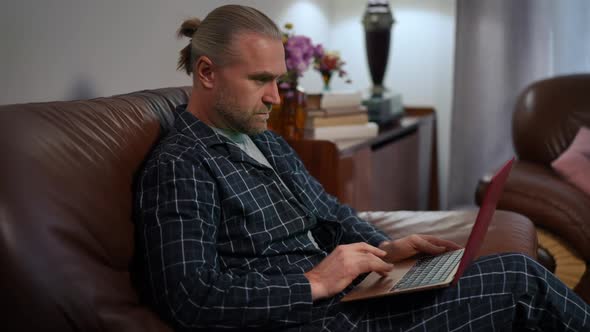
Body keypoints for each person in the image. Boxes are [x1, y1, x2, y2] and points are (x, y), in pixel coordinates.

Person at [133, 4, 590, 331]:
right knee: (518, 280)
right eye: (260, 81)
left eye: (278, 80)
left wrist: (387, 251)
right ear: (207, 73)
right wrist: (313, 282)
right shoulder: (182, 166)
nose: (274, 97)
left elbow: (332, 214)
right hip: (317, 318)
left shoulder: (266, 143)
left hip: (351, 304)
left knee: (509, 269)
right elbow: (191, 297)